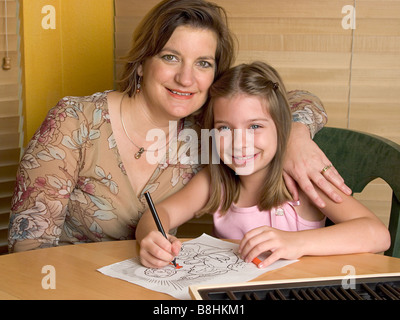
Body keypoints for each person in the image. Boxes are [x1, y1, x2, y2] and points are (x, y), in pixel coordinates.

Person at [8, 0, 347, 253]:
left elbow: (297, 99)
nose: (186, 78)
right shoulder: (74, 121)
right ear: (142, 63)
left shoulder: (210, 129)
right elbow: (29, 249)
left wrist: (295, 137)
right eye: (170, 57)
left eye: (203, 63)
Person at [136, 61, 390, 269]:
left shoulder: (301, 182)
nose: (239, 142)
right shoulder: (216, 182)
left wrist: (296, 243)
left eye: (255, 126)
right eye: (225, 128)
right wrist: (152, 238)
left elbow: (378, 235)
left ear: (281, 129)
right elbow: (158, 214)